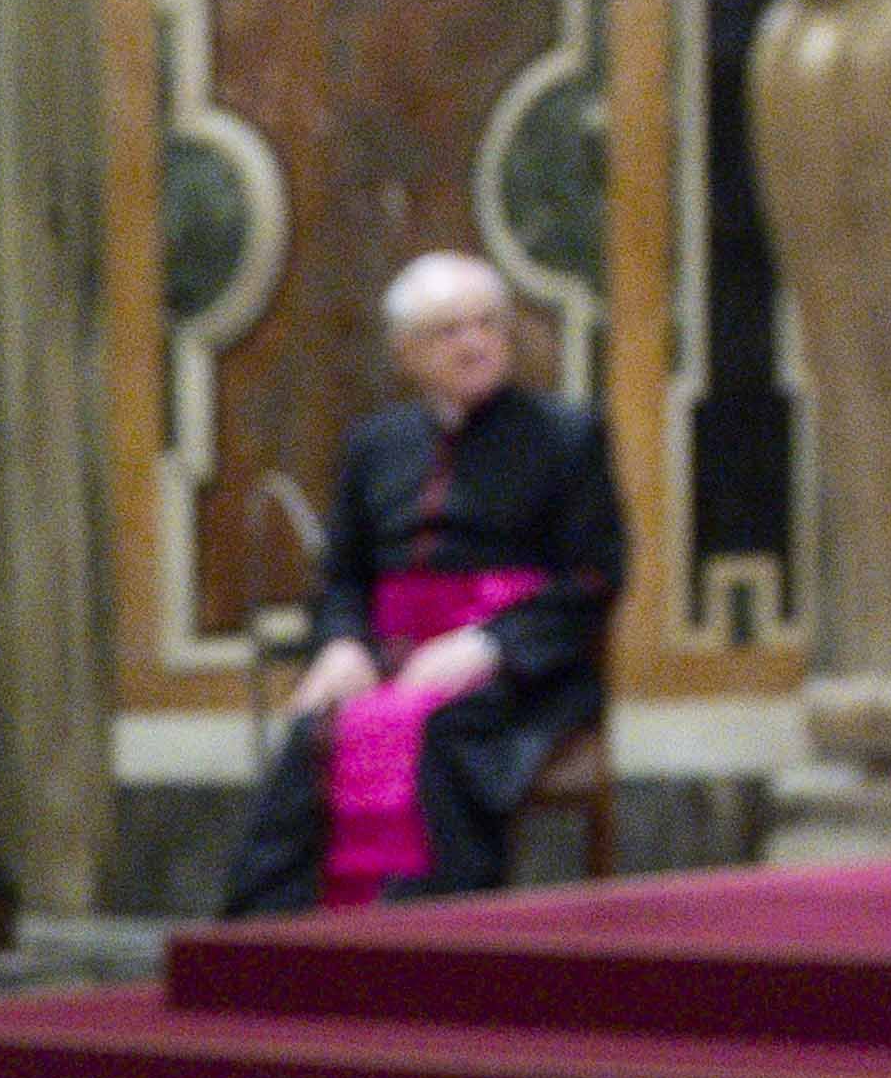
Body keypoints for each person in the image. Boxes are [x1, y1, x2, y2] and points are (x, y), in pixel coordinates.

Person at [214, 250, 625, 914]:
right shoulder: (374, 445)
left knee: (435, 738)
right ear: (405, 352)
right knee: (317, 734)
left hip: (518, 674)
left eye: (486, 324)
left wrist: (488, 645)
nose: (473, 343)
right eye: (448, 331)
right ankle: (271, 946)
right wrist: (342, 643)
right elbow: (344, 576)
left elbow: (593, 577)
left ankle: (427, 945)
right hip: (389, 656)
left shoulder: (566, 436)